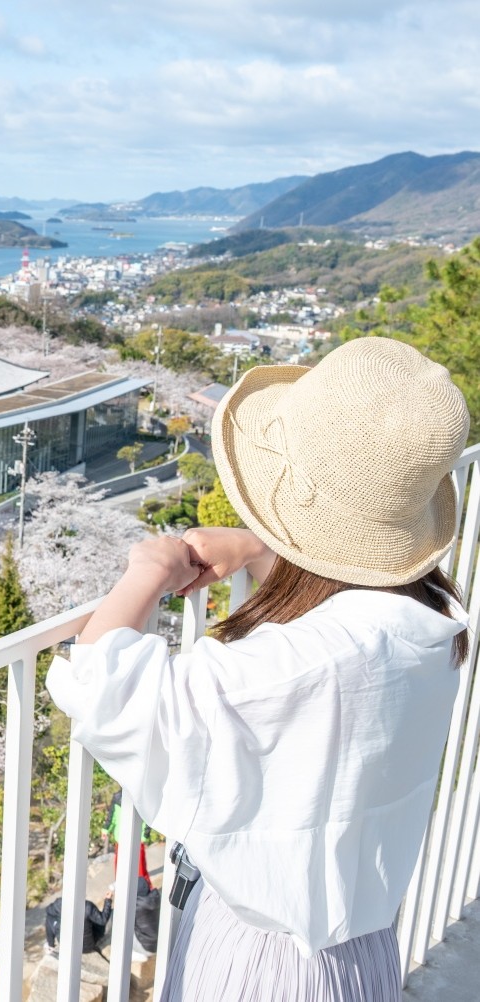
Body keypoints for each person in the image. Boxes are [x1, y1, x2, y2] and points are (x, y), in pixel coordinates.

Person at [46, 338, 471, 1001]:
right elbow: (342, 604)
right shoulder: (432, 619)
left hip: (264, 966)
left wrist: (149, 571)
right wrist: (260, 548)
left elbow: (101, 682)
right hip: (365, 954)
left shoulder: (299, 665)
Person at [102, 789, 153, 887]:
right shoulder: (117, 797)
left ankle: (144, 892)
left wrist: (144, 836)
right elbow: (112, 816)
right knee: (120, 866)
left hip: (137, 840)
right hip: (121, 839)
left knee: (140, 868)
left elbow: (147, 818)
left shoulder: (142, 795)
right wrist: (106, 830)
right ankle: (121, 885)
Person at [45, 890, 114, 955]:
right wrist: (108, 900)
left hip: (67, 946)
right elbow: (103, 920)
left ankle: (50, 945)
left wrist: (61, 916)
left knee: (49, 918)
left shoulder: (59, 903)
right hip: (87, 947)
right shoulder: (87, 906)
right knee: (97, 917)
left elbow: (48, 910)